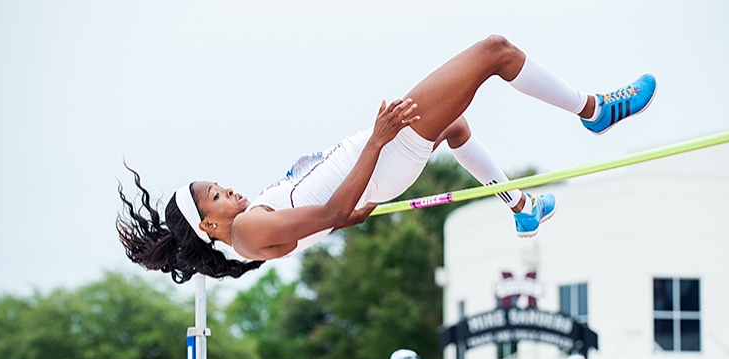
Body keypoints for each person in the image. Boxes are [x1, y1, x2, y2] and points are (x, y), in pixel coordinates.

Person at [117, 35, 657, 283]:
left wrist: (342, 193)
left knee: (456, 126)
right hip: (385, 152)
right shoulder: (248, 234)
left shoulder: (252, 229)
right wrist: (375, 141)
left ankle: (519, 205)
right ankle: (593, 111)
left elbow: (328, 218)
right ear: (208, 224)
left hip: (383, 162)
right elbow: (327, 215)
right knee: (496, 53)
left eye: (219, 185)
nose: (228, 190)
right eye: (217, 196)